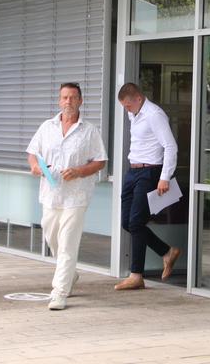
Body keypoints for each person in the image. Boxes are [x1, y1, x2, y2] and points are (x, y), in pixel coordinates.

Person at [27, 82, 107, 310]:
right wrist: (35, 167)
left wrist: (80, 171)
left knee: (68, 244)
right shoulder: (46, 127)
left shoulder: (89, 131)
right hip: (51, 194)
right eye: (64, 98)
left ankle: (59, 292)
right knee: (52, 238)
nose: (68, 102)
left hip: (76, 197)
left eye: (73, 98)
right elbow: (32, 154)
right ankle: (70, 275)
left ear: (81, 101)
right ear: (59, 101)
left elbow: (100, 161)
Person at [114, 82, 181, 290]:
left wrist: (164, 177)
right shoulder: (133, 113)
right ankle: (167, 252)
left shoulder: (154, 115)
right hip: (133, 171)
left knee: (136, 222)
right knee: (127, 222)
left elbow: (170, 146)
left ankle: (136, 275)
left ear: (138, 99)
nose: (126, 110)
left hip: (150, 172)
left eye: (127, 105)